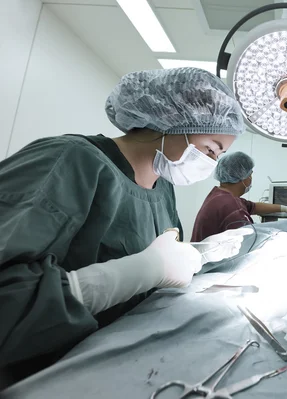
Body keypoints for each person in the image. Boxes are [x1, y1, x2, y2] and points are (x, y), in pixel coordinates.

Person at [0, 67, 250, 385]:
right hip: (33, 376)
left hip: (108, 367)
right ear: (173, 119)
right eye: (211, 150)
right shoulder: (70, 161)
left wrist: (192, 257)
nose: (211, 164)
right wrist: (136, 272)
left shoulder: (162, 188)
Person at [191, 151, 287, 242]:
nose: (251, 179)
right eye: (250, 175)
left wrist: (284, 208)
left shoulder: (219, 195)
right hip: (212, 267)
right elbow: (251, 241)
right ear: (244, 177)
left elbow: (253, 206)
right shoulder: (232, 206)